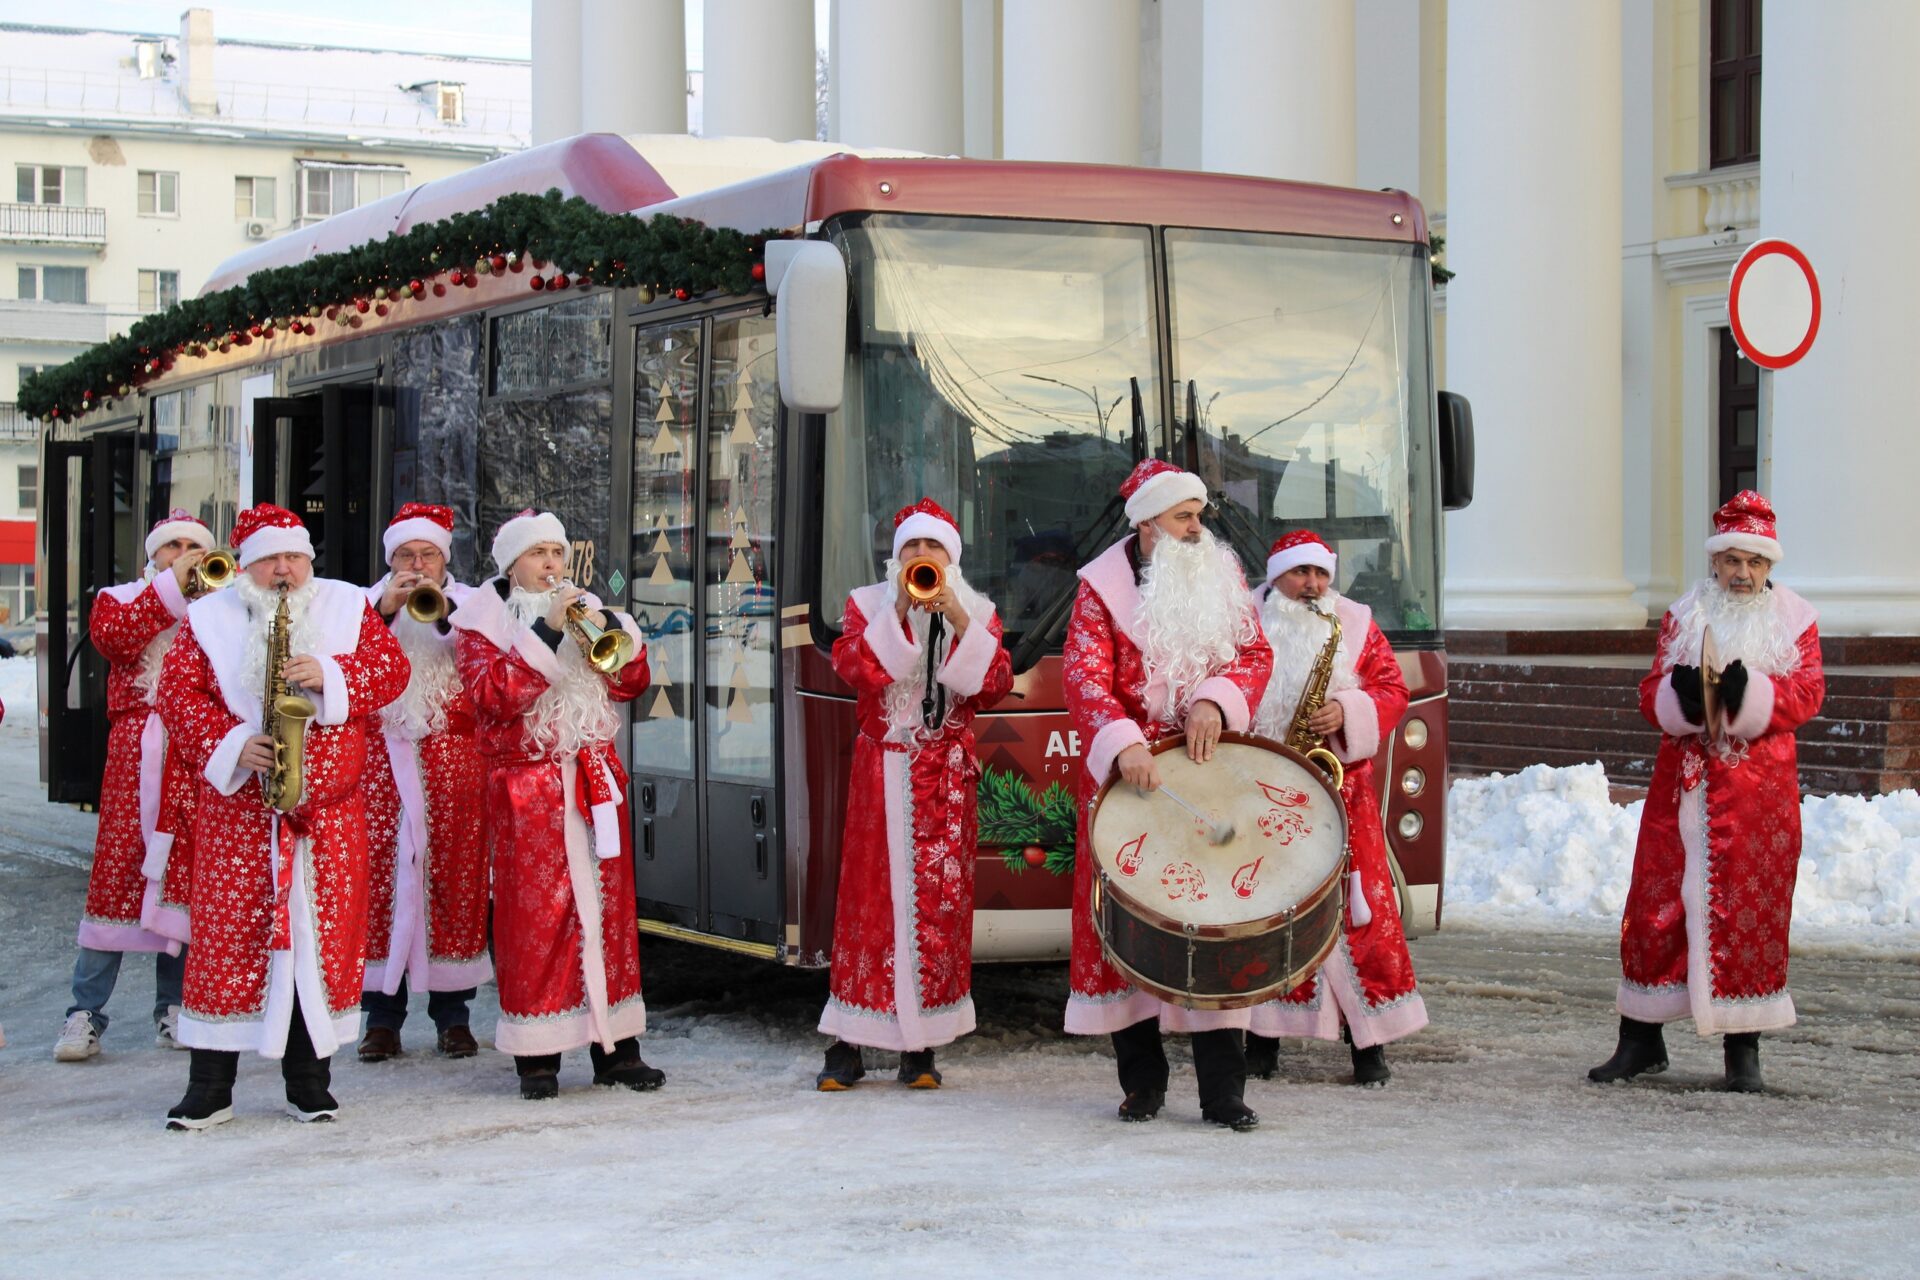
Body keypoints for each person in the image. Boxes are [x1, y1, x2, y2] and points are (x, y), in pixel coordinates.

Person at [157, 503, 409, 1129]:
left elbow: (391, 671)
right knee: (227, 944)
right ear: (245, 566)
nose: (284, 571)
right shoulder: (209, 617)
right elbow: (178, 694)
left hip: (327, 819)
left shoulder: (347, 606)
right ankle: (210, 1086)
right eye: (270, 559)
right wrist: (231, 744)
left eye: (294, 557)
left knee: (319, 948)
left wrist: (328, 673)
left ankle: (309, 1082)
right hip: (239, 816)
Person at [1062, 459, 1273, 1129]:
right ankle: (1142, 1084)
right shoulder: (1098, 589)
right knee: (1127, 924)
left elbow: (1254, 652)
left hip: (1208, 772)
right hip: (1134, 781)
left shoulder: (1223, 572)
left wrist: (1217, 699)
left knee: (1213, 926)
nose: (1196, 528)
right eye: (1184, 517)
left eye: (1198, 515)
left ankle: (1224, 1093)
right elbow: (1083, 677)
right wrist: (1122, 741)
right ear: (1149, 524)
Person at [1591, 491, 1825, 1093]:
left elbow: (1808, 694)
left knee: (1749, 915)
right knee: (1653, 909)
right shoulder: (1683, 612)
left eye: (1753, 562)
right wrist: (1682, 700)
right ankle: (1640, 1039)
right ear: (1715, 563)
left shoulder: (1796, 619)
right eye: (1731, 561)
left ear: (1769, 566)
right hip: (1682, 792)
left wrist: (1750, 698)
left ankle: (1742, 1052)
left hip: (1756, 798)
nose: (1741, 574)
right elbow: (1649, 692)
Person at [450, 509, 660, 1101]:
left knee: (609, 918)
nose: (551, 565)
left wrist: (608, 629)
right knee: (533, 921)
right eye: (538, 554)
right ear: (511, 565)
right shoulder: (480, 626)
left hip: (593, 781)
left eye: (557, 554)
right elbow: (493, 698)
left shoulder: (588, 609)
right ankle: (537, 1055)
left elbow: (631, 682)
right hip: (527, 788)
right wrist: (542, 633)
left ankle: (617, 1048)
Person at [816, 499, 1014, 1091]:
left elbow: (994, 684)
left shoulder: (978, 610)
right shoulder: (865, 605)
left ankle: (921, 1046)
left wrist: (959, 619)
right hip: (883, 773)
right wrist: (899, 610)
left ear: (951, 560)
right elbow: (855, 668)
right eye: (911, 549)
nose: (921, 557)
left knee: (939, 911)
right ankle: (848, 1041)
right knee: (869, 907)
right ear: (895, 557)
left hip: (945, 781)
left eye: (932, 550)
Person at [1245, 530, 1426, 1087]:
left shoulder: (1353, 621)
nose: (1313, 586)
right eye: (1301, 574)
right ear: (1276, 577)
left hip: (1343, 790)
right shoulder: (1245, 621)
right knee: (1268, 916)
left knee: (1360, 915)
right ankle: (1261, 1039)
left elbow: (1392, 689)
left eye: (1321, 574)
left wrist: (1348, 710)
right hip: (1267, 788)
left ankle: (1368, 1044)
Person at [54, 509, 216, 1063]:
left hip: (193, 754)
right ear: (154, 556)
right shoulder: (119, 597)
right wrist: (174, 584)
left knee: (184, 878)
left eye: (195, 546)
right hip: (134, 754)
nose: (186, 555)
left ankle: (172, 1005)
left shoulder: (215, 606)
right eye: (174, 546)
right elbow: (115, 640)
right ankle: (85, 1011)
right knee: (116, 875)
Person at [357, 504, 491, 1063]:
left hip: (453, 764)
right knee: (379, 887)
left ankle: (452, 1016)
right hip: (382, 765)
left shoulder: (472, 606)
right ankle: (381, 1019)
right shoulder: (361, 605)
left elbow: (488, 667)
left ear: (444, 558)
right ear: (390, 562)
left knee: (453, 884)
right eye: (406, 557)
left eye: (427, 555)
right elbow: (345, 666)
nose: (418, 565)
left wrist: (442, 614)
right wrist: (386, 609)